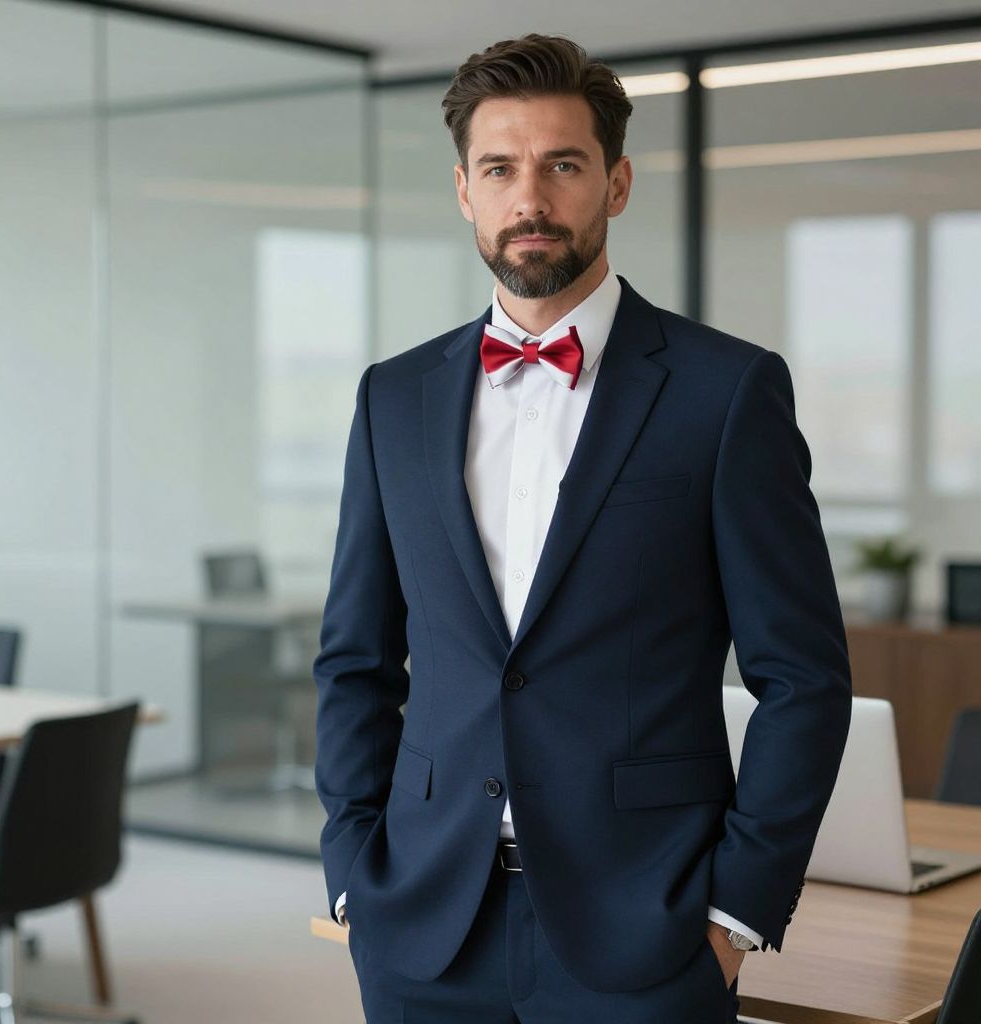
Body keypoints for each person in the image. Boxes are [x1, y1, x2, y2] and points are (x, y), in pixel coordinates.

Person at [313, 32, 852, 1023]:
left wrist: (735, 911)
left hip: (647, 926)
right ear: (464, 190)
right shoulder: (391, 397)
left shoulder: (724, 391)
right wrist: (352, 864)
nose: (530, 198)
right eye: (499, 168)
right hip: (424, 924)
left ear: (615, 183)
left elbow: (803, 676)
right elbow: (354, 658)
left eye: (562, 164)